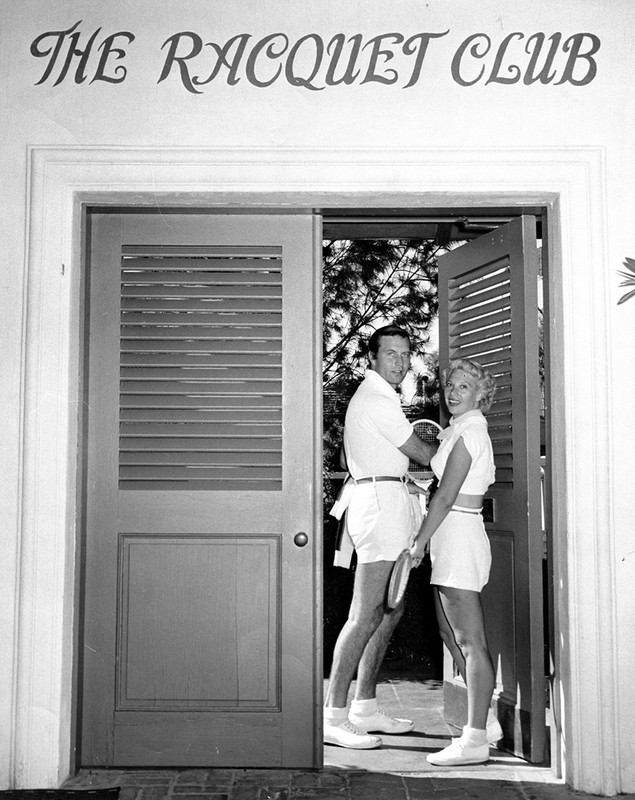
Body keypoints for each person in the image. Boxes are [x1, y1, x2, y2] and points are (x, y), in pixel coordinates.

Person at [324, 324, 437, 750]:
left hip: (390, 497)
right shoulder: (376, 399)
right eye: (391, 354)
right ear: (372, 359)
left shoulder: (381, 398)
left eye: (406, 354)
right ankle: (333, 716)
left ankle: (364, 707)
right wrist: (465, 442)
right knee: (367, 613)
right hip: (378, 505)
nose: (402, 362)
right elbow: (424, 454)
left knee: (391, 609)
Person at [410, 357, 502, 766]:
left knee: (469, 640)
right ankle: (487, 720)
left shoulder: (471, 434)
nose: (452, 391)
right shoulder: (456, 431)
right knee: (450, 634)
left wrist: (417, 543)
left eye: (464, 386)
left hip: (460, 534)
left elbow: (445, 496)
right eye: (449, 384)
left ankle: (475, 739)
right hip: (449, 537)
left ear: (481, 394)